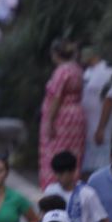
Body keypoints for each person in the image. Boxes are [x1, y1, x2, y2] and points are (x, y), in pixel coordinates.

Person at [40, 43, 88, 188]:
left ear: (55, 54)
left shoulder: (62, 71)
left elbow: (56, 97)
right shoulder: (77, 69)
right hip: (77, 116)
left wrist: (50, 121)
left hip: (62, 117)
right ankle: (72, 185)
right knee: (74, 153)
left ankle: (54, 186)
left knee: (55, 152)